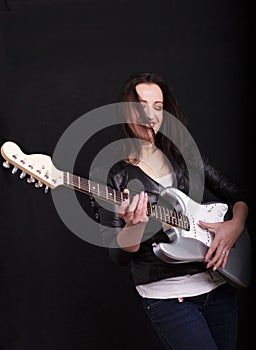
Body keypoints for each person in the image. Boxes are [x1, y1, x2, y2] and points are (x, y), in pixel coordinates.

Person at [92, 72, 250, 350]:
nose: (149, 115)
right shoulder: (113, 175)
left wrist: (234, 226)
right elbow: (117, 256)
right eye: (140, 105)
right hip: (169, 295)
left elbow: (238, 195)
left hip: (218, 287)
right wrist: (133, 227)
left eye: (158, 106)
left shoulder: (186, 155)